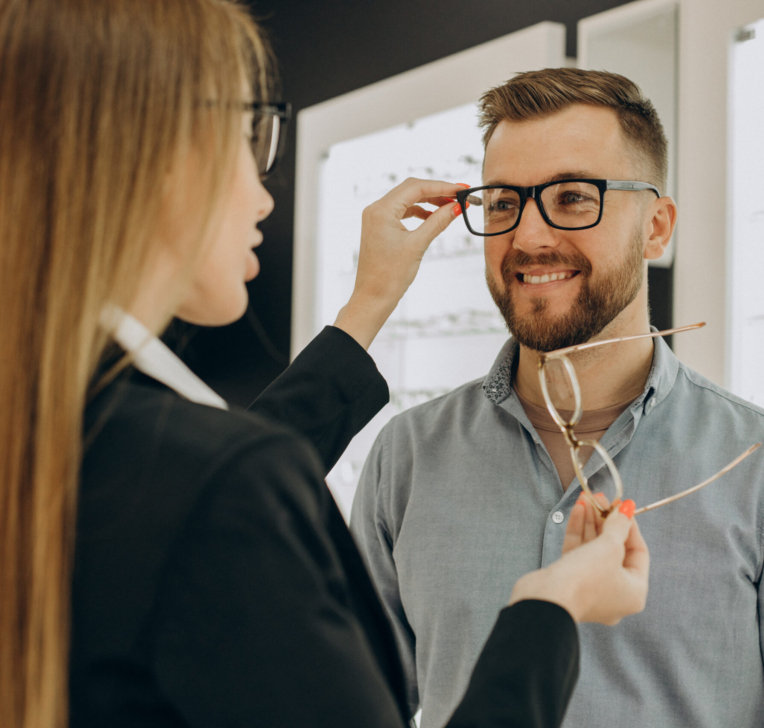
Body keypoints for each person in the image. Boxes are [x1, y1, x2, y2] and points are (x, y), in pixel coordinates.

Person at [0, 4, 651, 728]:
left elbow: (188, 491)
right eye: (248, 136)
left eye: (570, 198)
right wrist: (550, 610)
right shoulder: (244, 478)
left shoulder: (67, 427)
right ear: (156, 155)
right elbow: (211, 492)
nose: (261, 193)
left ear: (655, 225)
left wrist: (367, 303)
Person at [351, 68, 764, 728]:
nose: (529, 237)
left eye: (573, 197)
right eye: (501, 203)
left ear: (657, 227)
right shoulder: (406, 458)